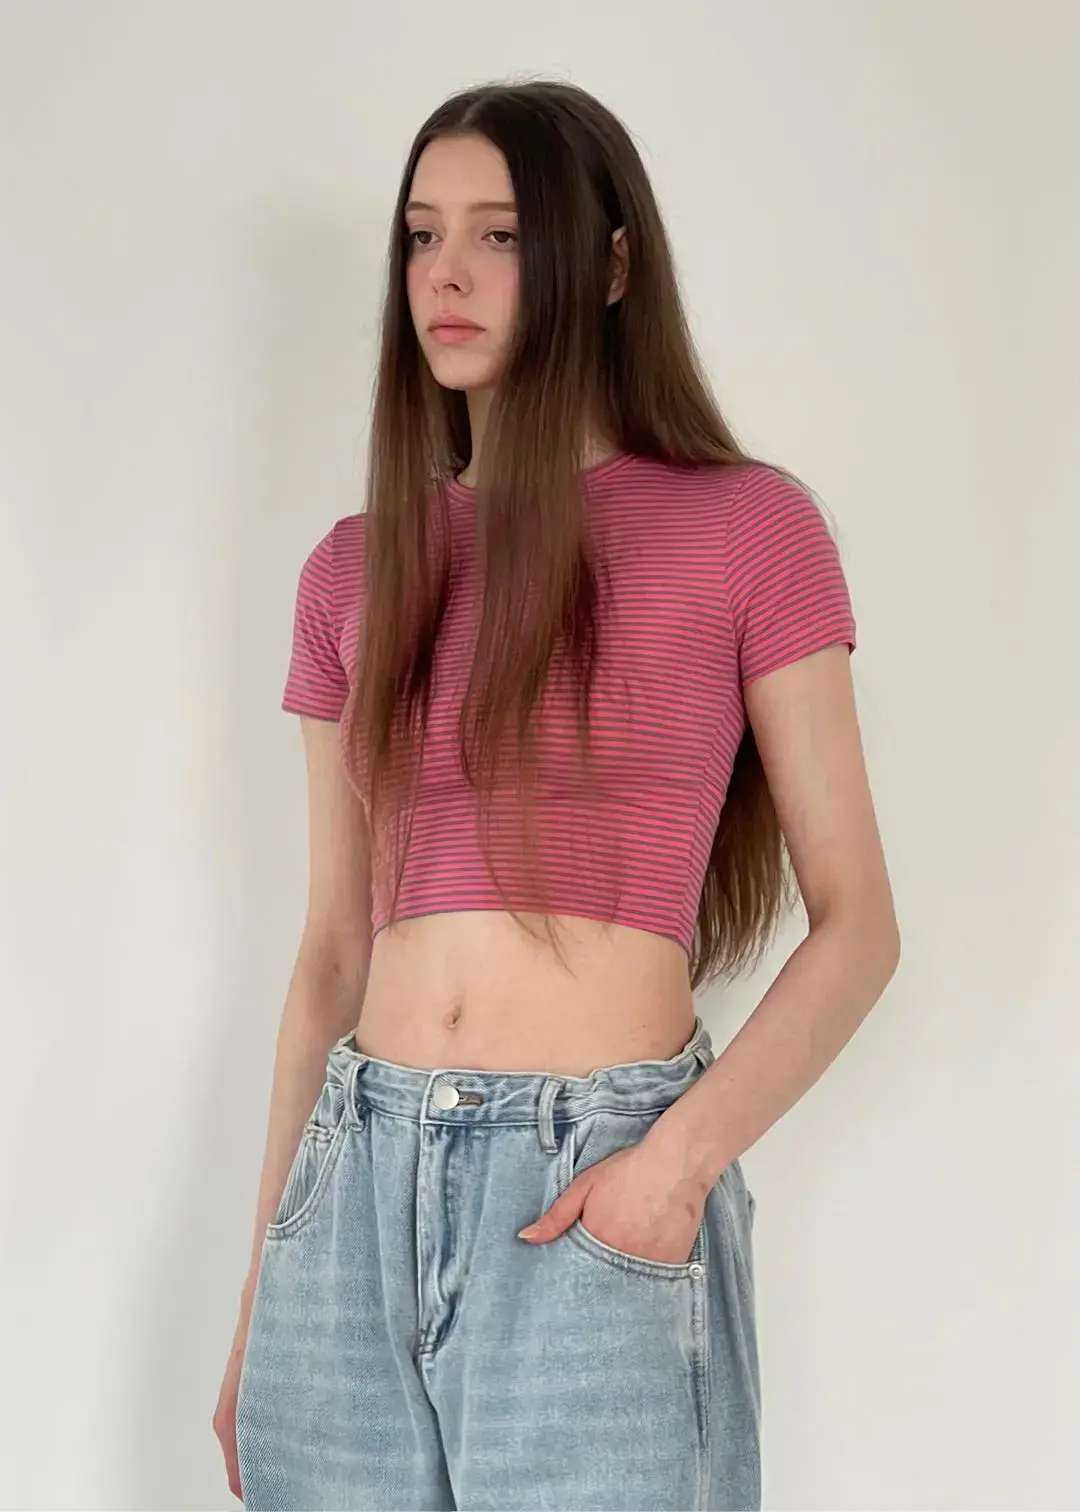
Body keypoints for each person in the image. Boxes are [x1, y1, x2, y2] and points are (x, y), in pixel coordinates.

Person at [213, 78, 900, 1512]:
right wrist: (264, 1295)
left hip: (593, 1186)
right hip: (350, 1203)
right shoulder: (353, 567)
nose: (446, 274)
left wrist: (676, 1167)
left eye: (501, 234)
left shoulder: (747, 528)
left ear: (609, 264)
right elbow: (333, 951)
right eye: (421, 235)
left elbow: (858, 925)